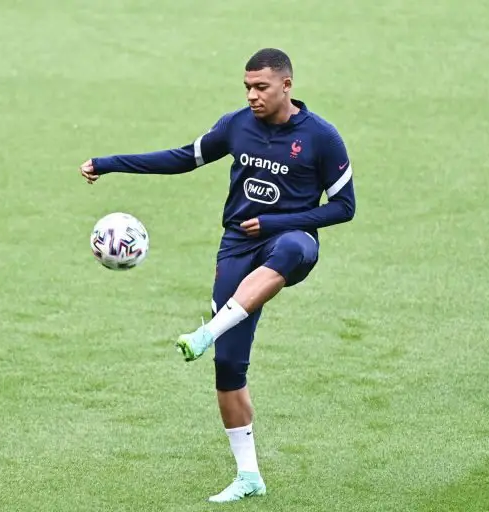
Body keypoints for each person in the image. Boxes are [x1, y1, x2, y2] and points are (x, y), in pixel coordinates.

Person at [79, 48, 356, 503]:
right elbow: (181, 158)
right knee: (228, 366)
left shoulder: (321, 137)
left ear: (287, 85)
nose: (252, 95)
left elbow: (344, 208)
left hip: (292, 242)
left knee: (290, 248)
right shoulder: (237, 125)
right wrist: (109, 163)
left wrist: (277, 222)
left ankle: (208, 330)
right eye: (247, 87)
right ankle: (249, 477)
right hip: (237, 247)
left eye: (261, 87)